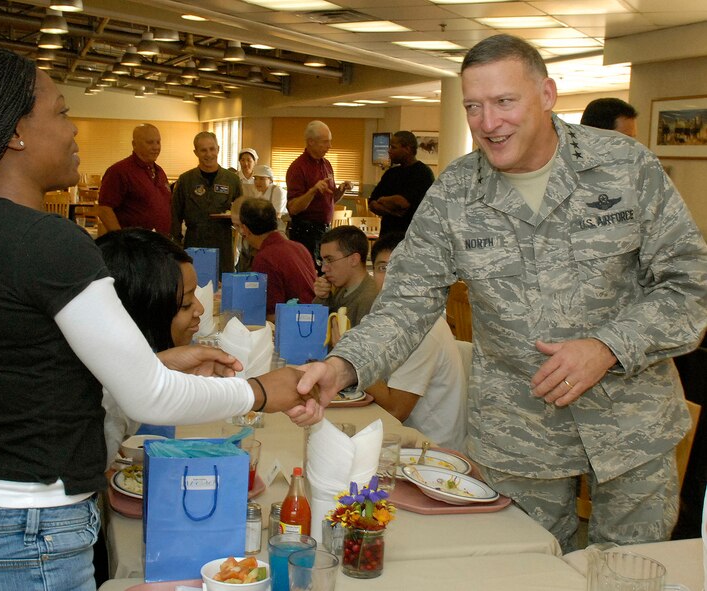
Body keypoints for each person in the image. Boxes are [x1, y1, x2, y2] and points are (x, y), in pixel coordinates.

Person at [0, 44, 328, 591]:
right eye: (62, 113)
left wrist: (157, 360)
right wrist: (261, 391)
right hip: (29, 535)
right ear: (14, 132)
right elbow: (149, 399)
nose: (73, 132)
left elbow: (31, 373)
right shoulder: (48, 240)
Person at [297, 34, 707, 552]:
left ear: (547, 94)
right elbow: (406, 302)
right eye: (473, 106)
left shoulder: (625, 167)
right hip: (520, 431)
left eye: (504, 102)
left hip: (633, 424)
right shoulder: (455, 194)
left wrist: (607, 347)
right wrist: (342, 367)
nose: (488, 123)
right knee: (521, 567)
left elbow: (691, 287)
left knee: (633, 573)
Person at [0, 228, 207, 494]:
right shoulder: (92, 366)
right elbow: (91, 464)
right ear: (142, 310)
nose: (201, 310)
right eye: (185, 304)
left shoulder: (94, 334)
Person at [364, 232, 467, 452]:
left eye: (401, 268)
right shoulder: (384, 312)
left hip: (431, 453)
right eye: (383, 268)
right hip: (400, 435)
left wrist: (355, 366)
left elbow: (395, 409)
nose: (391, 276)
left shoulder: (424, 326)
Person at [171, 131, 242, 276]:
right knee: (195, 284)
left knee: (223, 287)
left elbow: (241, 211)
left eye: (212, 149)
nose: (208, 154)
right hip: (194, 241)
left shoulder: (232, 180)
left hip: (223, 242)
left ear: (218, 149)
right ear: (195, 152)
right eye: (203, 150)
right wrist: (176, 247)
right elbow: (175, 215)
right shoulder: (185, 180)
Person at [234, 197, 315, 321]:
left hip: (294, 325)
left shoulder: (265, 258)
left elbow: (271, 314)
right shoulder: (299, 247)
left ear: (244, 229)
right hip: (314, 319)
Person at [286, 120, 353, 263]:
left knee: (326, 272)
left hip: (325, 230)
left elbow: (330, 199)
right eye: (325, 142)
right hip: (305, 232)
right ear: (311, 142)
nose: (330, 146)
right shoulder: (298, 168)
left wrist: (341, 190)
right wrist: (313, 191)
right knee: (310, 274)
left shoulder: (326, 164)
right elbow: (293, 208)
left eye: (330, 142)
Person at [96, 123, 172, 233]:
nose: (156, 147)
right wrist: (121, 239)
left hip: (159, 243)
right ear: (134, 144)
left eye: (158, 142)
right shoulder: (119, 171)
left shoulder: (160, 172)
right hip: (134, 244)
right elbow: (104, 209)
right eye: (150, 142)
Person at [368, 131, 434, 236]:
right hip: (387, 235)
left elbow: (402, 203)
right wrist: (391, 211)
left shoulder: (422, 173)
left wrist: (383, 200)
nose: (389, 151)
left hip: (411, 236)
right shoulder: (391, 173)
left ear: (407, 149)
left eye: (393, 147)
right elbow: (372, 203)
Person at [312, 225, 378, 331]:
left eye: (329, 260)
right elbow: (313, 329)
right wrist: (322, 297)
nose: (324, 269)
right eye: (323, 261)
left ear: (354, 259)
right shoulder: (339, 288)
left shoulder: (369, 300)